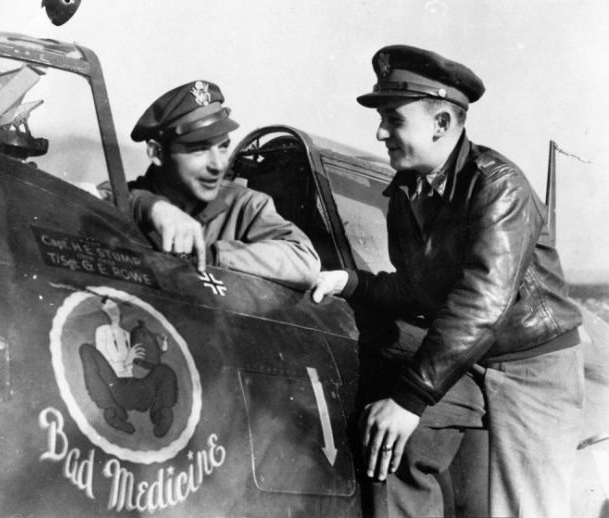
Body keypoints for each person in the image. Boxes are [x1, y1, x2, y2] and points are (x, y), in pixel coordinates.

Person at [311, 45, 584, 518]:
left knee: (526, 509)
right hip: (468, 359)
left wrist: (411, 397)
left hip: (530, 370)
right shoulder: (408, 191)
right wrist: (350, 282)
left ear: (440, 124)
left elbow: (483, 301)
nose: (380, 132)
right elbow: (418, 290)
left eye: (393, 119)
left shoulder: (498, 187)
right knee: (391, 435)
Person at [125, 80, 320, 290]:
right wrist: (148, 206)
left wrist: (212, 255)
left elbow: (304, 259)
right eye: (199, 149)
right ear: (157, 153)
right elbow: (92, 200)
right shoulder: (125, 198)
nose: (218, 165)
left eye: (224, 147)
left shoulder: (247, 205)